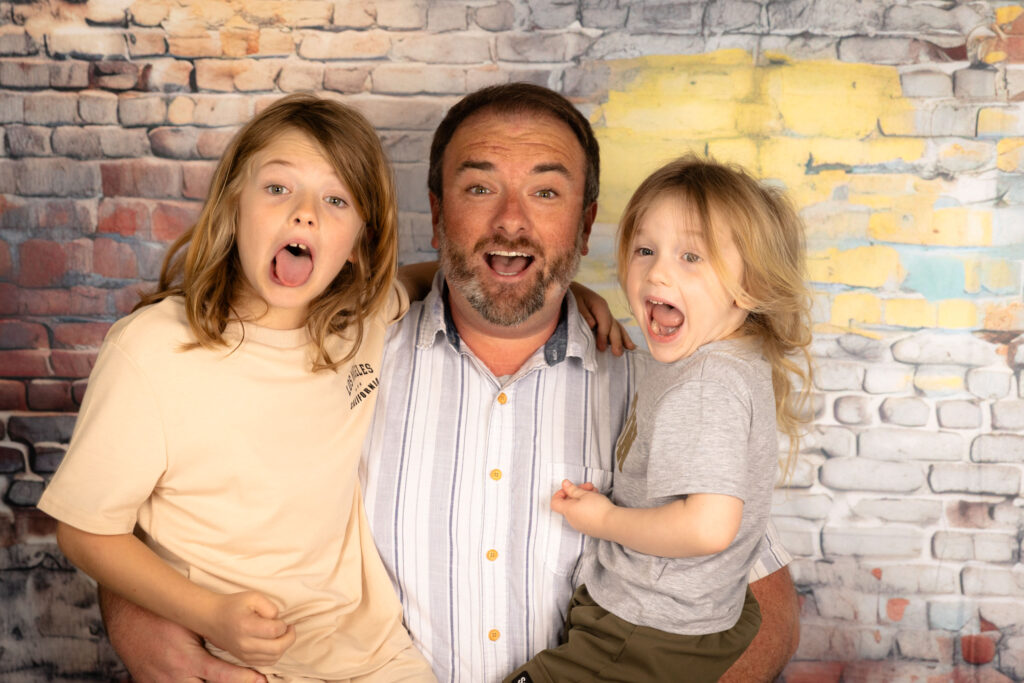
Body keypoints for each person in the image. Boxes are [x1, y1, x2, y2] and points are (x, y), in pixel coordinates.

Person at [99, 84, 802, 683]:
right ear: (436, 214)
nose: (512, 220)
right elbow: (164, 513)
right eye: (479, 186)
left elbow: (764, 604)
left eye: (546, 192)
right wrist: (137, 625)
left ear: (586, 225)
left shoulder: (659, 386)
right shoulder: (341, 358)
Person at [37, 94, 435, 682]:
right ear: (233, 205)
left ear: (358, 246)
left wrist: (569, 300)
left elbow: (424, 279)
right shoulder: (152, 351)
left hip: (374, 656)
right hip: (231, 657)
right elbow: (85, 529)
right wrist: (211, 614)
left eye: (335, 199)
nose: (304, 215)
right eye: (278, 188)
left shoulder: (363, 322)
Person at [504, 156, 813, 683]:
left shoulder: (705, 385)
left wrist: (601, 520)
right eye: (645, 250)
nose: (659, 271)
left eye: (692, 256)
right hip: (691, 617)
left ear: (751, 286)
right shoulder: (724, 359)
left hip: (648, 627)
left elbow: (708, 526)